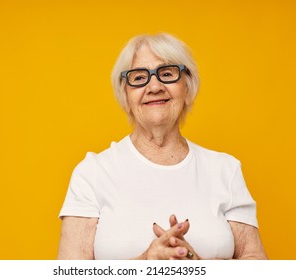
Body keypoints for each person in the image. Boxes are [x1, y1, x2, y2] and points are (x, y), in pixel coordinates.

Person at [57, 33, 267, 260]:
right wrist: (145, 263)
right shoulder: (91, 174)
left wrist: (198, 267)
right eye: (138, 78)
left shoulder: (226, 170)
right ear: (125, 95)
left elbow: (257, 266)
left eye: (167, 74)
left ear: (187, 88)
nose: (154, 86)